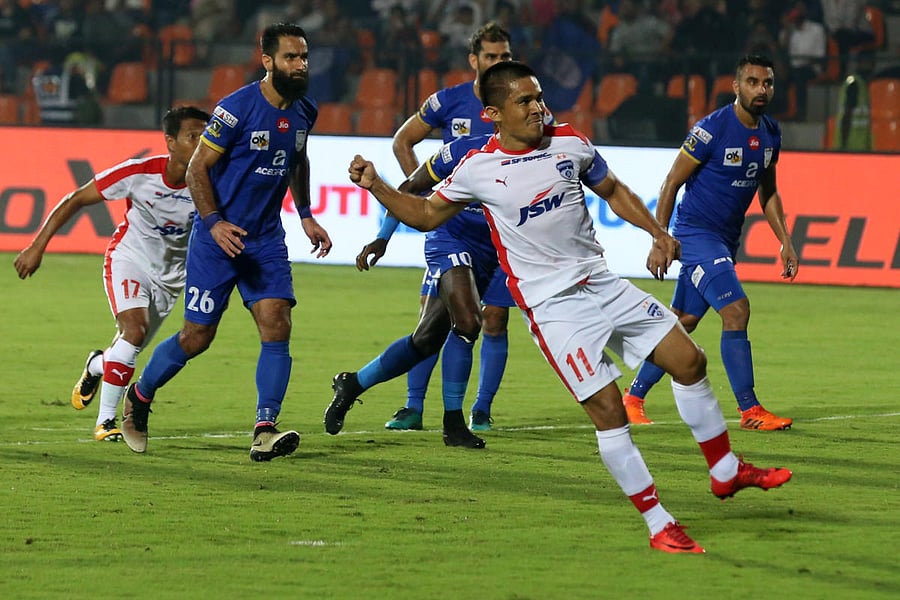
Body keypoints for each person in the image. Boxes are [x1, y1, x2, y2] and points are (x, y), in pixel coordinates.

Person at [337, 60, 792, 552]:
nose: (538, 107)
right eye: (524, 101)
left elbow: (614, 189)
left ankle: (725, 471)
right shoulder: (478, 167)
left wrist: (657, 232)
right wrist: (378, 184)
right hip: (554, 308)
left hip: (602, 281)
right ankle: (660, 523)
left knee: (690, 360)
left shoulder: (568, 141)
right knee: (610, 411)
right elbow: (426, 214)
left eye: (538, 97)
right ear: (493, 113)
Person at [122, 23, 332, 460]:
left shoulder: (305, 111)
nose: (301, 64)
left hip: (265, 238)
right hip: (217, 240)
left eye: (304, 56)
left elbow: (298, 160)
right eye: (291, 57)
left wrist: (307, 215)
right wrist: (215, 222)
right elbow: (198, 169)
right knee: (197, 337)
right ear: (268, 61)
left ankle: (265, 428)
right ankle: (139, 398)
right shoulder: (235, 110)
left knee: (277, 323)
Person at [622, 55, 799, 430]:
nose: (761, 89)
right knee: (736, 310)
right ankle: (751, 410)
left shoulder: (771, 132)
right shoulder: (712, 129)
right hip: (696, 233)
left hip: (725, 239)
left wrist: (785, 240)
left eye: (767, 82)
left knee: (683, 320)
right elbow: (672, 182)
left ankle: (632, 398)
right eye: (752, 82)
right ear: (736, 87)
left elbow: (769, 193)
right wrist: (661, 237)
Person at [14, 106, 210, 442]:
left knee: (126, 351)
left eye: (206, 135)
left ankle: (95, 365)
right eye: (193, 136)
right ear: (170, 142)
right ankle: (106, 423)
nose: (201, 142)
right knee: (134, 333)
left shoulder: (212, 181)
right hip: (129, 259)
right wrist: (37, 246)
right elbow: (77, 198)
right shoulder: (138, 173)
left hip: (172, 277)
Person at [373, 22, 533, 433]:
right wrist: (428, 197)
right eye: (492, 56)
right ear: (474, 60)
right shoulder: (448, 101)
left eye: (505, 56)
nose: (499, 62)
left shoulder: (522, 103)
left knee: (494, 318)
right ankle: (412, 407)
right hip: (454, 228)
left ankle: (481, 409)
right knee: (432, 315)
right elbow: (402, 141)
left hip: (503, 233)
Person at [343, 132, 499, 449]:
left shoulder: (537, 158)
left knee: (427, 339)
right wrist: (383, 238)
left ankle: (353, 383)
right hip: (449, 237)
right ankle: (454, 424)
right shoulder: (463, 150)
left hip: (492, 251)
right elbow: (411, 187)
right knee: (468, 323)